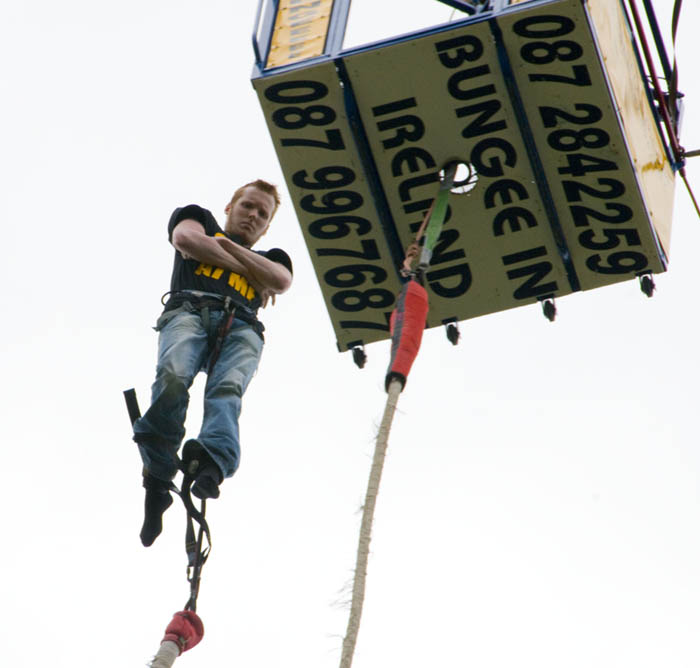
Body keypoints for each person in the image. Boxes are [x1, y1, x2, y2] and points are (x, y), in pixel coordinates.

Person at [132, 179, 293, 546]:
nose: (253, 215)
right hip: (191, 308)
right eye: (247, 206)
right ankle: (158, 477)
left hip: (242, 326)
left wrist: (217, 248)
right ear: (230, 207)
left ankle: (210, 462)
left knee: (227, 391)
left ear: (267, 227)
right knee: (173, 377)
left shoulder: (275, 256)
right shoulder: (197, 218)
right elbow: (187, 240)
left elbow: (281, 280)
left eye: (262, 214)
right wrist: (251, 269)